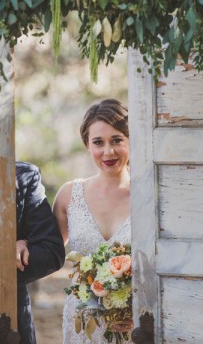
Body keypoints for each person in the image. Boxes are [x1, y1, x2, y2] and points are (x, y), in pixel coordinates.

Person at [53, 99, 133, 344]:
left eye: (117, 140)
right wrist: (20, 242)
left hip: (135, 323)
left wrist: (137, 307)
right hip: (83, 323)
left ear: (131, 140)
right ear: (87, 144)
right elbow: (47, 252)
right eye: (98, 142)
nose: (108, 151)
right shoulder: (69, 195)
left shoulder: (149, 196)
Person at [15, 161, 66, 344]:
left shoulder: (24, 175)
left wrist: (24, 244)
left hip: (9, 318)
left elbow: (51, 250)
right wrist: (4, 249)